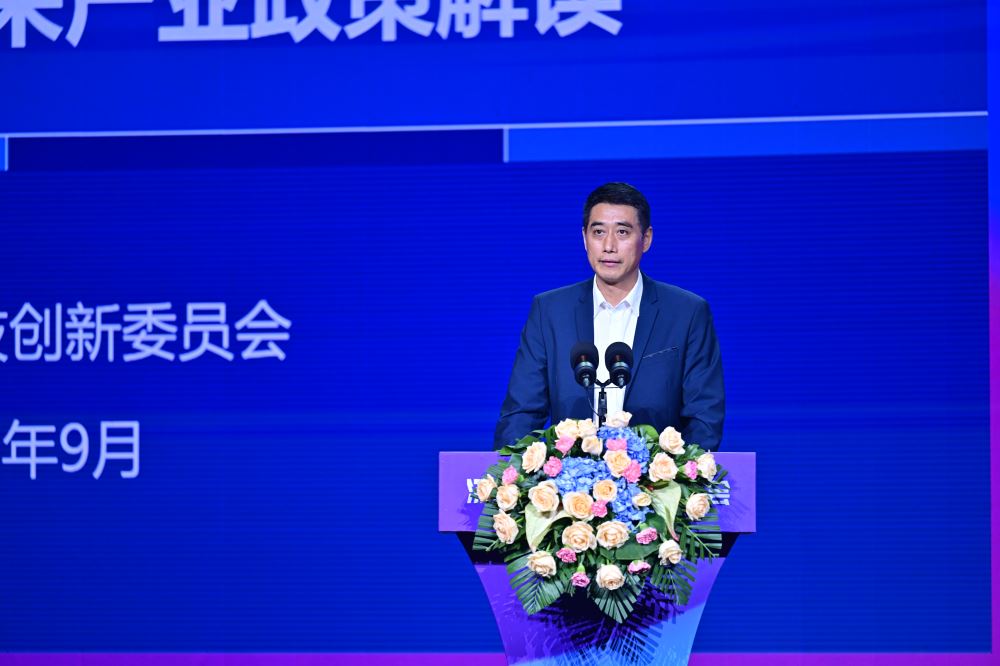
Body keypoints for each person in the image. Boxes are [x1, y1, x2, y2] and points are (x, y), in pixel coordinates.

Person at [494, 182, 724, 450]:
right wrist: (513, 469)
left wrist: (677, 472)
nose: (609, 246)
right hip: (569, 476)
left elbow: (704, 418)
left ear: (646, 239)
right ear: (584, 238)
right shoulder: (549, 311)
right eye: (598, 232)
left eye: (623, 232)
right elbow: (521, 415)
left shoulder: (687, 313)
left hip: (655, 474)